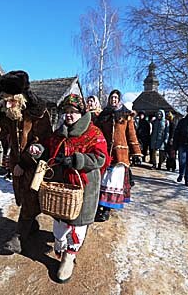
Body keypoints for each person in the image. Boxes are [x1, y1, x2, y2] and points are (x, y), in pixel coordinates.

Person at [29, 94, 108, 283]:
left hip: (84, 185)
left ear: (81, 113)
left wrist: (76, 159)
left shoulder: (93, 133)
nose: (69, 115)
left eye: (73, 112)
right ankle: (60, 243)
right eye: (66, 112)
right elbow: (48, 151)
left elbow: (101, 158)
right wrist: (38, 150)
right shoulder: (58, 133)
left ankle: (69, 257)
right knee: (60, 221)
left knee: (78, 224)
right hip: (61, 187)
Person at [0, 70, 53, 254]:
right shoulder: (9, 115)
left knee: (30, 196)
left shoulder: (38, 114)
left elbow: (43, 142)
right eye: (4, 100)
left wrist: (26, 162)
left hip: (35, 165)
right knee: (22, 196)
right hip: (17, 165)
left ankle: (19, 237)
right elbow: (2, 131)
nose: (6, 104)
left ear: (20, 98)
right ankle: (31, 224)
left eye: (10, 100)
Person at [94, 90, 143, 221]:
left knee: (112, 182)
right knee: (103, 180)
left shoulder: (126, 115)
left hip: (120, 154)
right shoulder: (104, 115)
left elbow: (131, 134)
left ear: (119, 99)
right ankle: (99, 207)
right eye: (112, 97)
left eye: (116, 98)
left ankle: (107, 209)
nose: (113, 100)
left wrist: (136, 152)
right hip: (104, 152)